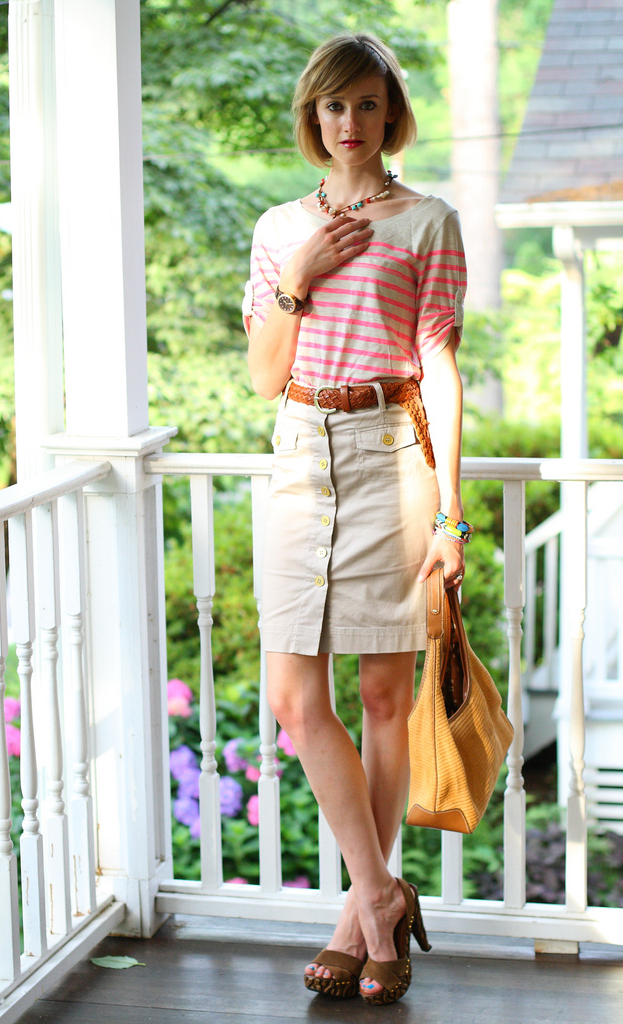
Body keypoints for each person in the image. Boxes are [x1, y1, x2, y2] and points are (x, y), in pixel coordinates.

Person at [243, 32, 468, 1006]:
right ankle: (382, 891)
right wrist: (298, 267)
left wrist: (451, 516)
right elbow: (262, 377)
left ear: (390, 115)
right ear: (312, 116)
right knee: (296, 699)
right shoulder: (276, 226)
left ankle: (355, 920)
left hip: (390, 455)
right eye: (332, 106)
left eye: (366, 105)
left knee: (384, 696)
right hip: (300, 455)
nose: (348, 123)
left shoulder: (428, 221)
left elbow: (442, 370)